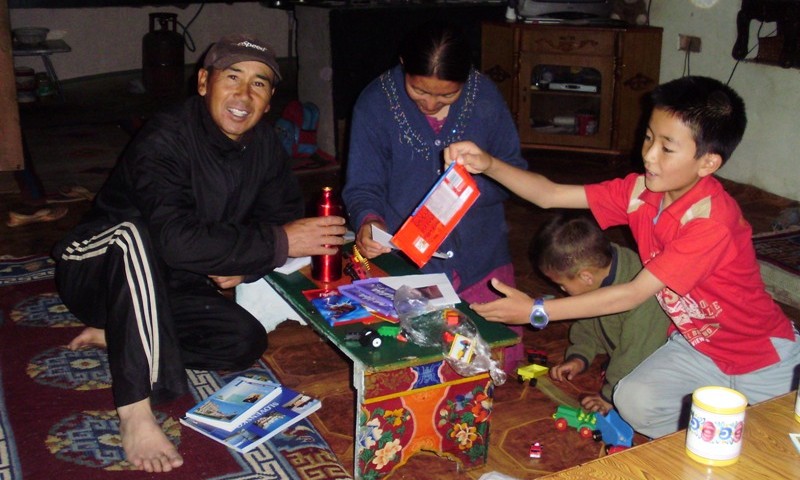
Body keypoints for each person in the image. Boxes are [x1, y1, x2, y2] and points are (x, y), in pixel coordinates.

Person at [51, 34, 346, 472]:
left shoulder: (264, 145)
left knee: (243, 341)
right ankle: (135, 410)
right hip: (97, 266)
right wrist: (277, 243)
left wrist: (245, 269)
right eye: (233, 77)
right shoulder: (165, 136)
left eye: (260, 84)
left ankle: (123, 337)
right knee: (135, 234)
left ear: (268, 102)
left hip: (170, 284)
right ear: (204, 82)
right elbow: (175, 240)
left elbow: (277, 216)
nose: (244, 95)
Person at [443, 75, 800, 438]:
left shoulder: (711, 222)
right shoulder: (641, 193)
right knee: (633, 401)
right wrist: (488, 164)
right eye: (648, 137)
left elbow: (631, 294)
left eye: (667, 148)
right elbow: (549, 194)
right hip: (700, 349)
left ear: (708, 163)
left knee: (780, 440)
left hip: (762, 358)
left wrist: (538, 310)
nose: (648, 154)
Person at [341, 20, 528, 369]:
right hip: (410, 259)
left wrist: (470, 187)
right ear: (403, 64)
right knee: (422, 359)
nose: (430, 103)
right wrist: (369, 221)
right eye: (419, 91)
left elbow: (513, 172)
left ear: (466, 78)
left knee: (491, 358)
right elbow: (363, 185)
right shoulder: (375, 104)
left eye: (446, 95)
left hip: (480, 256)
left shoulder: (484, 98)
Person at [533, 213, 670, 415]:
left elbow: (637, 353)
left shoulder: (641, 292)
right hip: (630, 353)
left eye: (562, 284)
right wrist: (579, 357)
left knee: (639, 402)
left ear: (586, 276)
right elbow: (587, 322)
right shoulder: (601, 270)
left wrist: (609, 396)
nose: (561, 290)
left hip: (657, 361)